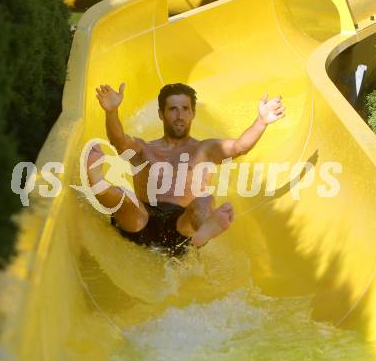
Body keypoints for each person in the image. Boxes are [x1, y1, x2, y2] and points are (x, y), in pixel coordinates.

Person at [86, 82, 285, 255]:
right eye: (172, 109)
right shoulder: (144, 149)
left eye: (185, 109)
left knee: (205, 199)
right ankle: (96, 180)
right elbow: (119, 141)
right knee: (127, 198)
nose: (179, 115)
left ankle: (203, 231)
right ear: (161, 114)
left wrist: (261, 122)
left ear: (192, 113)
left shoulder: (205, 150)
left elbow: (240, 147)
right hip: (141, 221)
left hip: (183, 227)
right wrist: (111, 111)